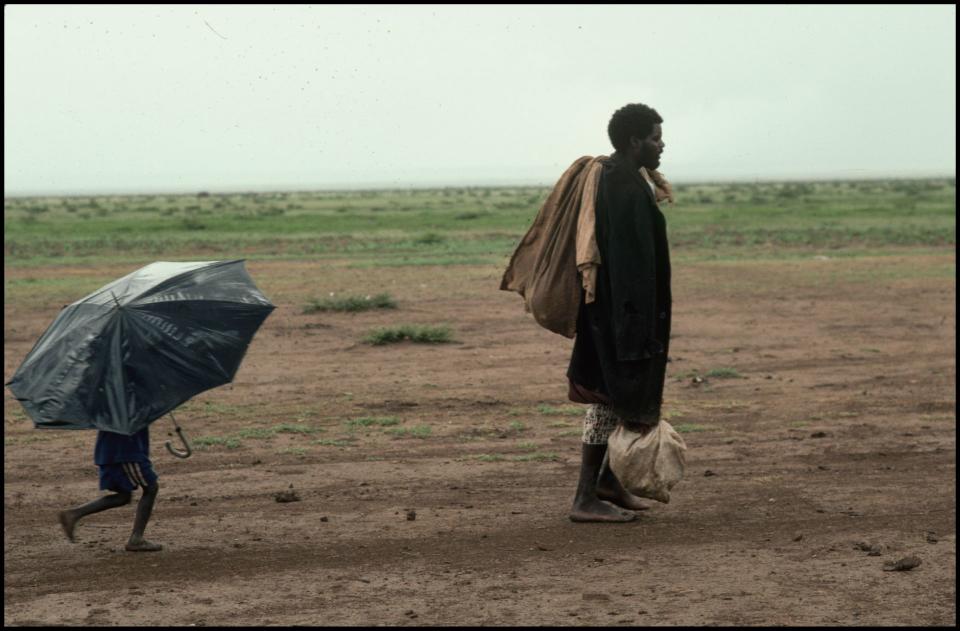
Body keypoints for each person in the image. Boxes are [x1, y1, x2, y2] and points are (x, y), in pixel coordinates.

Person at [567, 102, 671, 522]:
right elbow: (627, 265)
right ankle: (584, 498)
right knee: (612, 400)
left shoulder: (625, 178)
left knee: (618, 399)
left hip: (620, 315)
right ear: (634, 142)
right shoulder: (622, 186)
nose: (661, 145)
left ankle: (608, 484)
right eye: (654, 138)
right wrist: (634, 328)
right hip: (620, 317)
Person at [59, 426, 163, 551]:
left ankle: (73, 514)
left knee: (123, 497)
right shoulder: (126, 408)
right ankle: (136, 539)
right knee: (151, 487)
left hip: (112, 451)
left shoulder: (113, 410)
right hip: (126, 451)